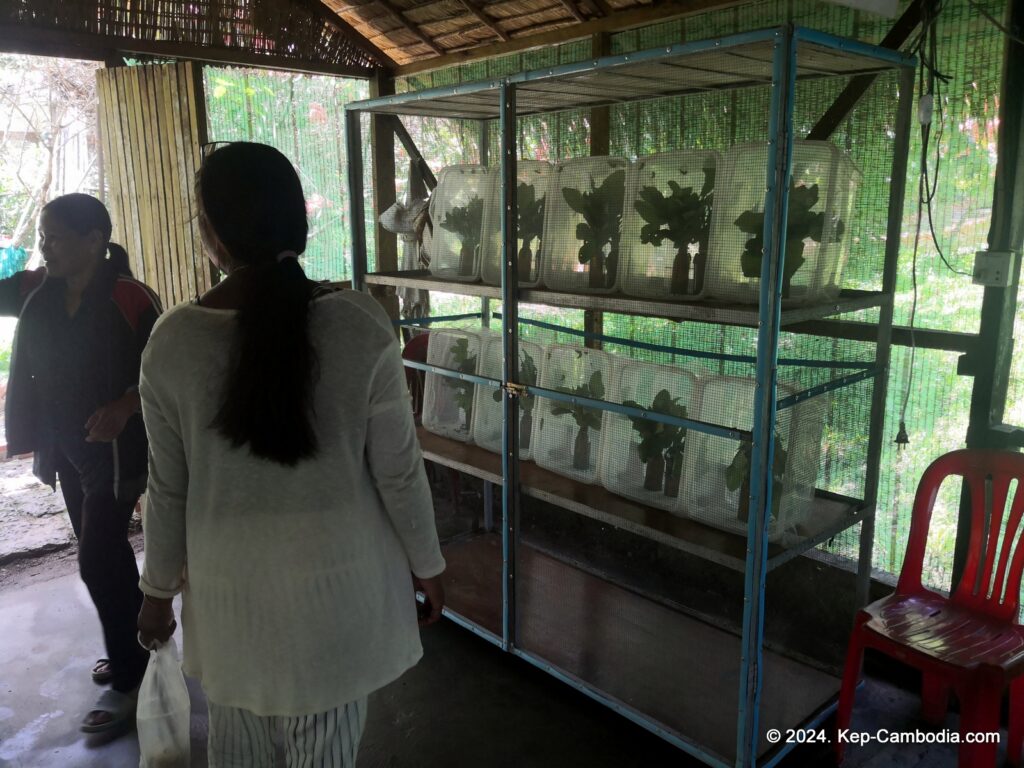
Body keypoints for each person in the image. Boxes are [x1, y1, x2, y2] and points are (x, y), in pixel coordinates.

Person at [136, 142, 446, 767]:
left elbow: (168, 489)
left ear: (212, 237)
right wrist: (428, 563)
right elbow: (398, 468)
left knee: (238, 752)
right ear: (297, 223)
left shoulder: (172, 343)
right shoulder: (361, 324)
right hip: (338, 595)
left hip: (229, 603)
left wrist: (155, 590)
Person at [0, 194, 162, 731]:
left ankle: (129, 681)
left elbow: (164, 370)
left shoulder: (131, 298)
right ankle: (139, 641)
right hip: (65, 447)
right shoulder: (36, 290)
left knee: (95, 560)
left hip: (116, 451)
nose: (45, 246)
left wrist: (124, 405)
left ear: (95, 239)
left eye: (56, 236)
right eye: (43, 237)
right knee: (108, 554)